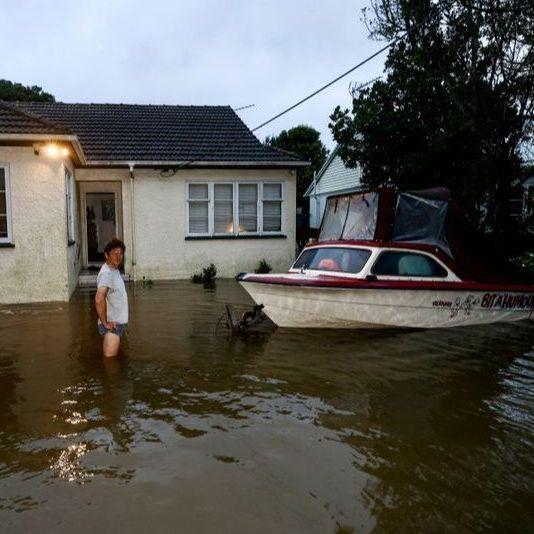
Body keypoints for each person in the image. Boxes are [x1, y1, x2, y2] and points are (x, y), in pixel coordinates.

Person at [95, 238, 128, 358]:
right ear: (106, 255)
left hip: (115, 324)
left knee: (112, 360)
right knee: (110, 362)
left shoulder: (113, 270)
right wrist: (105, 323)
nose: (118, 257)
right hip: (112, 327)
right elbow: (99, 298)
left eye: (121, 254)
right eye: (115, 254)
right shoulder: (107, 274)